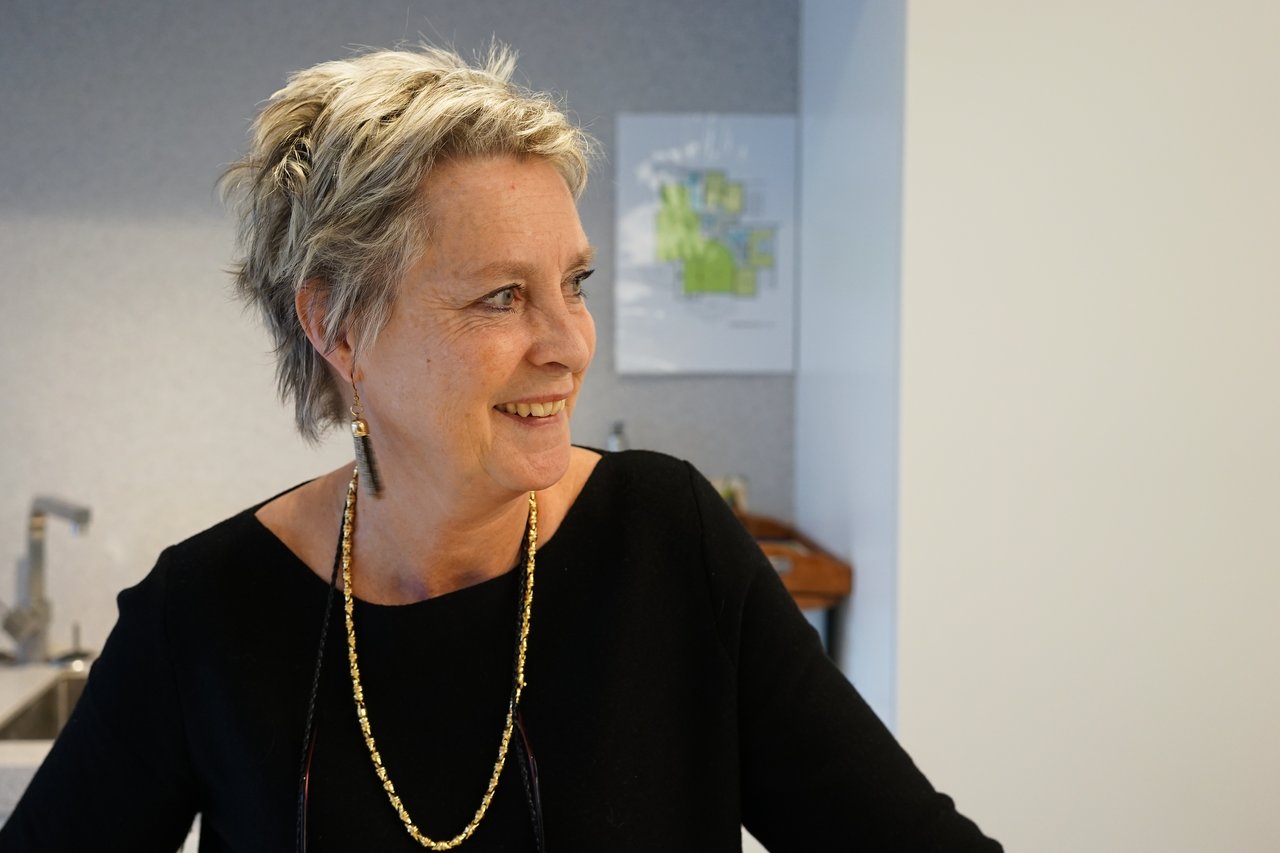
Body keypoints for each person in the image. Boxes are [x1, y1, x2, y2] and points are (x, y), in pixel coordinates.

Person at [0, 45, 1001, 852]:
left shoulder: (669, 541)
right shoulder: (205, 613)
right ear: (340, 329)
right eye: (501, 296)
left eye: (574, 283)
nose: (568, 344)